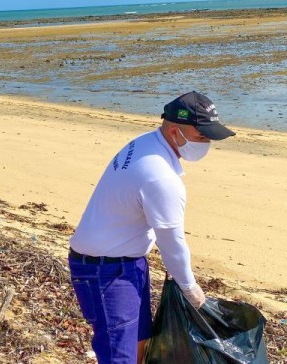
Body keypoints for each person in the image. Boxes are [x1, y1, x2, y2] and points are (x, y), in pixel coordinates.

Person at [68, 91, 236, 364]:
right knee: (119, 357)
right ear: (174, 131)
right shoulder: (161, 177)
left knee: (140, 347)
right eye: (202, 136)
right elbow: (171, 243)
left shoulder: (145, 143)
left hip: (127, 262)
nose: (207, 144)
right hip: (105, 271)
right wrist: (189, 288)